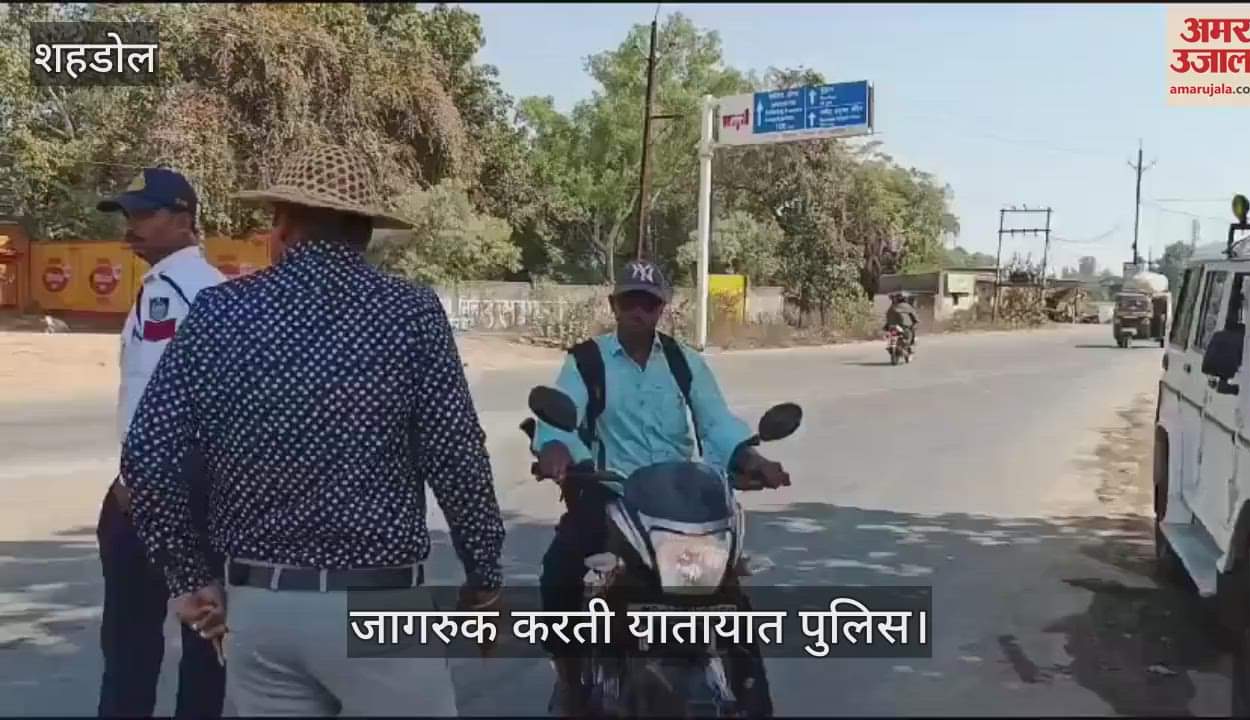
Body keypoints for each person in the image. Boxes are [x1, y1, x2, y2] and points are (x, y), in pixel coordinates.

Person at [119, 144, 505, 716]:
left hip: (262, 611)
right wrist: (485, 577)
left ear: (284, 224)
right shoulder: (410, 312)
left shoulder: (220, 313)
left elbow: (147, 458)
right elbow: (456, 458)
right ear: (366, 233)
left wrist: (190, 576)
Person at [533, 259, 790, 716]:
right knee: (559, 575)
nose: (640, 311)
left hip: (683, 502)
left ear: (662, 309)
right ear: (614, 305)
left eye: (649, 303)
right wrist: (556, 450)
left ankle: (754, 701)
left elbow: (716, 422)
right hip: (612, 498)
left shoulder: (683, 361)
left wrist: (751, 458)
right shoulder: (586, 360)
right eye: (630, 301)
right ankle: (571, 678)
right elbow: (559, 421)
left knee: (731, 597)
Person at [95, 168, 227, 719]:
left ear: (183, 219)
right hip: (144, 497)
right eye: (128, 215)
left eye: (144, 215)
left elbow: (211, 405)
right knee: (140, 644)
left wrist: (153, 486)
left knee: (191, 645)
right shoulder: (161, 288)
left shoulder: (196, 292)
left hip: (179, 500)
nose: (131, 227)